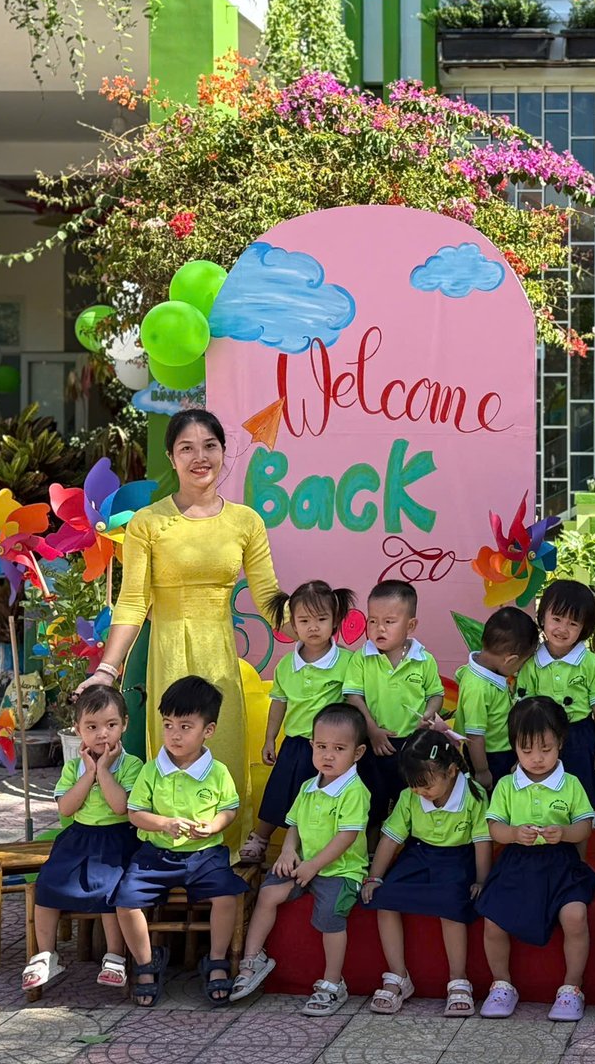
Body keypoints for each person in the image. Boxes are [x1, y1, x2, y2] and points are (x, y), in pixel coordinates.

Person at [79, 409, 283, 847]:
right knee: (173, 755)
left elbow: (269, 598)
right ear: (172, 458)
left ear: (223, 452)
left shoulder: (245, 521)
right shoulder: (148, 522)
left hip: (220, 660)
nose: (199, 457)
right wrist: (107, 670)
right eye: (187, 448)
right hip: (168, 655)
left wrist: (319, 634)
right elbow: (133, 602)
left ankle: (226, 858)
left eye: (209, 446)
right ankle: (167, 856)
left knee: (223, 754)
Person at [115, 677, 250, 1008]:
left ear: (208, 730)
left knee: (227, 896)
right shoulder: (151, 770)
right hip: (155, 855)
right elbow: (135, 813)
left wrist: (214, 825)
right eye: (168, 725)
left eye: (185, 727)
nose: (174, 735)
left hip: (205, 855)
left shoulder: (217, 772)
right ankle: (146, 963)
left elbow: (229, 809)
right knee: (126, 901)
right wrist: (165, 824)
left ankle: (216, 960)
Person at [229, 703, 370, 1016]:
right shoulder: (308, 786)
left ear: (357, 753)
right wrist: (289, 851)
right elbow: (293, 824)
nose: (328, 756)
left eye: (339, 749)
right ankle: (253, 960)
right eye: (321, 747)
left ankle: (332, 983)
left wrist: (314, 865)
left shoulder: (355, 792)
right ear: (311, 746)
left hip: (340, 870)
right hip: (304, 864)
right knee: (268, 892)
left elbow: (346, 836)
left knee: (330, 916)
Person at [472, 697, 595, 1022]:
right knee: (493, 920)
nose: (537, 758)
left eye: (546, 748)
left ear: (561, 742)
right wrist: (514, 834)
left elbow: (585, 827)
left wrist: (564, 833)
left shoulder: (571, 784)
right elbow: (494, 827)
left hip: (561, 864)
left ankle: (572, 987)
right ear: (514, 746)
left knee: (575, 916)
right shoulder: (506, 786)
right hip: (517, 863)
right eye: (526, 750)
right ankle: (502, 984)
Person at [362, 729, 493, 1017]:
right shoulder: (409, 796)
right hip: (419, 854)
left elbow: (482, 842)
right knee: (385, 897)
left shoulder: (474, 795)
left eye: (426, 785)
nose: (420, 792)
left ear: (451, 771)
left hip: (457, 857)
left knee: (451, 902)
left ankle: (458, 980)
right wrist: (374, 877)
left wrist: (482, 880)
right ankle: (397, 976)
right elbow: (390, 839)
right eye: (414, 786)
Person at [22, 686, 143, 992]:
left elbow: (121, 807)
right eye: (92, 727)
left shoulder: (132, 765)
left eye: (111, 725)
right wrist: (89, 774)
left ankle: (115, 956)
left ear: (125, 724)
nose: (102, 734)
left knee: (110, 888)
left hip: (117, 839)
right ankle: (45, 955)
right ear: (78, 730)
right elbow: (66, 808)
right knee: (47, 884)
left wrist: (103, 771)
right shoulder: (74, 767)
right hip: (78, 838)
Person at [240, 580, 358, 865]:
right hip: (295, 744)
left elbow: (356, 701)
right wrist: (270, 738)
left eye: (321, 619)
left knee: (323, 798)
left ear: (335, 621)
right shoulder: (285, 666)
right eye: (304, 621)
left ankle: (317, 849)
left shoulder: (348, 662)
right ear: (292, 623)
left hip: (333, 747)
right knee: (280, 790)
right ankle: (260, 838)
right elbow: (279, 703)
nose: (313, 627)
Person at [343, 580, 444, 833]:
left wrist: (429, 714)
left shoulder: (424, 659)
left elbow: (436, 695)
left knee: (407, 800)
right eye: (373, 621)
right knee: (372, 801)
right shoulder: (361, 658)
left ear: (410, 625)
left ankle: (406, 845)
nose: (379, 628)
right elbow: (354, 697)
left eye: (389, 622)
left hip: (411, 746)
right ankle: (371, 849)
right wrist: (373, 731)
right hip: (373, 744)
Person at [522, 580, 595, 809]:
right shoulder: (530, 662)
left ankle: (579, 834)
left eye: (573, 623)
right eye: (556, 619)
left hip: (580, 739)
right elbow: (524, 711)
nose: (562, 629)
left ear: (584, 628)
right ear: (542, 617)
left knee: (581, 801)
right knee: (544, 798)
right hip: (540, 739)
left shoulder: (591, 664)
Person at [455, 606, 538, 788]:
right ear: (510, 659)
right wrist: (482, 771)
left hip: (501, 750)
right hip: (489, 757)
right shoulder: (478, 688)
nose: (519, 669)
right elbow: (474, 737)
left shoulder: (489, 672)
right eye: (521, 663)